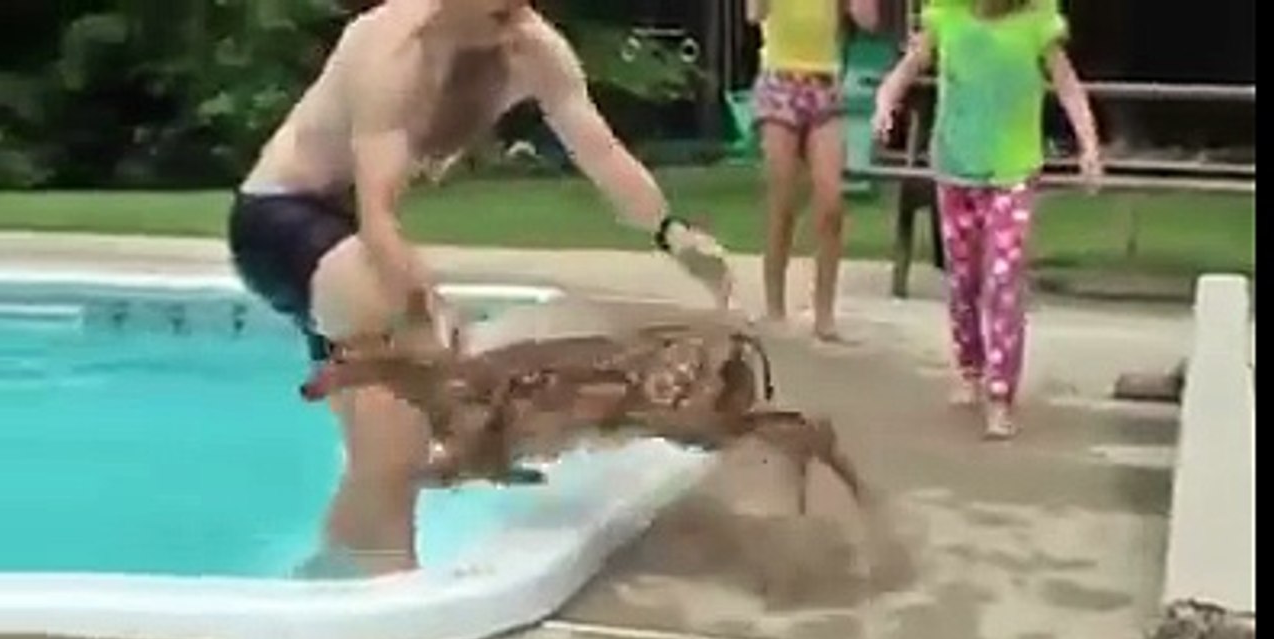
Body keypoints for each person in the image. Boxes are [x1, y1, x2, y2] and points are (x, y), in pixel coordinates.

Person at [227, 0, 736, 574]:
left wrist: (671, 233)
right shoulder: (391, 52)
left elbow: (602, 153)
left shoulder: (527, 46)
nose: (516, 9)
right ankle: (391, 579)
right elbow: (379, 218)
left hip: (343, 238)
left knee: (385, 451)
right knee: (412, 399)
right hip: (281, 219)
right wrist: (426, 303)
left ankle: (332, 572)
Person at [872, 0, 1102, 439]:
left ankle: (1000, 392)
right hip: (957, 165)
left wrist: (1088, 144)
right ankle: (969, 367)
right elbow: (907, 68)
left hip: (1013, 168)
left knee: (1003, 277)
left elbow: (1069, 87)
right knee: (964, 279)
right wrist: (886, 103)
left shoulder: (1037, 23)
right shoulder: (946, 17)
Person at [746, 0, 879, 341]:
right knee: (784, 195)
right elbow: (754, 14)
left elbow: (868, 21)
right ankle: (774, 308)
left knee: (831, 202)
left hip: (824, 84)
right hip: (779, 81)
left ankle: (824, 314)